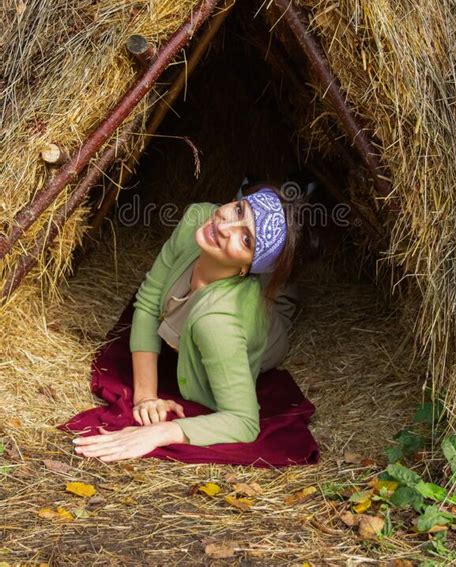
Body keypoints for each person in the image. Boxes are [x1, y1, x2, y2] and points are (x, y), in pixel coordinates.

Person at [73, 185, 310, 462]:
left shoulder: (219, 324)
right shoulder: (198, 219)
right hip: (231, 279)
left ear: (248, 268)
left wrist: (161, 432)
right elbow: (149, 302)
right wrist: (145, 397)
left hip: (266, 332)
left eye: (246, 239)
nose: (225, 226)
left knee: (281, 302)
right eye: (238, 209)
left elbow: (244, 422)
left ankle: (292, 270)